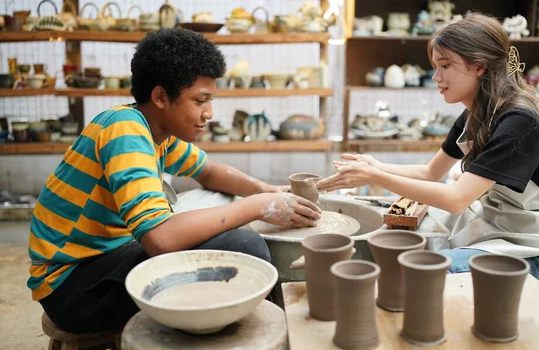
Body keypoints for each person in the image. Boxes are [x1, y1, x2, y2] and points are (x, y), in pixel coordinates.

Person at [28, 28, 321, 333]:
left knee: (219, 202)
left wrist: (265, 189)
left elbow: (208, 172)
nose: (209, 113)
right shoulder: (125, 130)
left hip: (103, 258)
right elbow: (160, 240)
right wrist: (260, 206)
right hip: (73, 288)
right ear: (160, 97)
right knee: (243, 245)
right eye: (200, 100)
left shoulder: (157, 132)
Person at [317, 13, 539, 294]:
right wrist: (375, 166)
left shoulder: (519, 122)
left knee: (425, 271)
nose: (436, 76)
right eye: (436, 66)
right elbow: (431, 173)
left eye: (445, 65)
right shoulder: (476, 114)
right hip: (507, 234)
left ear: (479, 66)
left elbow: (456, 200)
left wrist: (375, 177)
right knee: (403, 245)